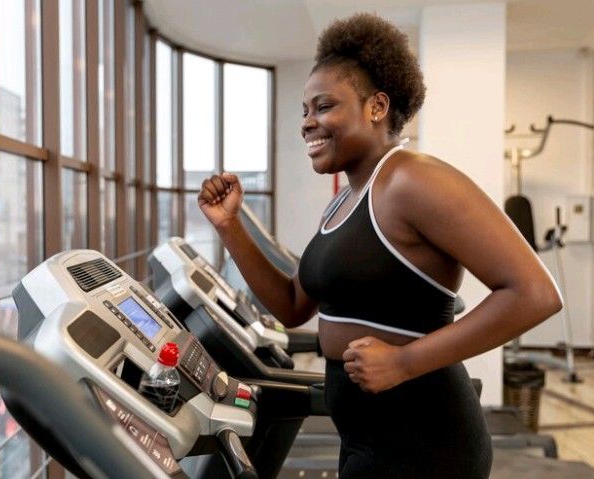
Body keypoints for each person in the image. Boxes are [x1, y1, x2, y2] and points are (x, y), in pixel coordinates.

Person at [198, 13, 562, 479]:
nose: (308, 123)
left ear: (377, 107)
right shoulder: (345, 202)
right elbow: (292, 306)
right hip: (363, 438)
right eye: (304, 111)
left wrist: (405, 361)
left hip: (424, 441)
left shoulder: (413, 180)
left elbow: (534, 293)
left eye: (324, 106)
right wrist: (230, 226)